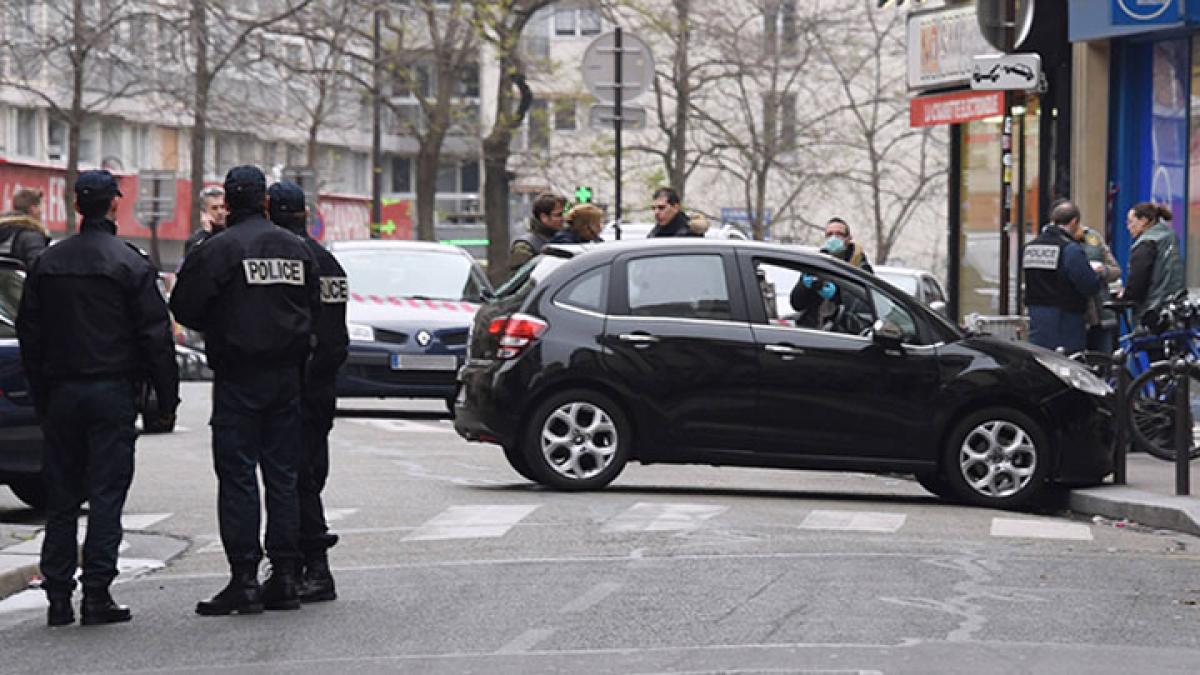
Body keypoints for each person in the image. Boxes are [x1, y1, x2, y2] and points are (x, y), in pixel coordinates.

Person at [16, 170, 179, 627]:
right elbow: (155, 338)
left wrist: (41, 392)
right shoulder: (129, 263)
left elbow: (30, 333)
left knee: (62, 499)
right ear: (114, 206)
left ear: (76, 207)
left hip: (63, 392)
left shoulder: (49, 263)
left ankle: (58, 596)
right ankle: (97, 594)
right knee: (106, 496)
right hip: (112, 392)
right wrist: (166, 399)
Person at [170, 165, 320, 617]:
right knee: (283, 477)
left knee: (238, 477)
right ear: (267, 202)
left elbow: (185, 306)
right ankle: (287, 577)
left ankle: (244, 579)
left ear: (230, 203)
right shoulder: (297, 249)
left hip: (238, 376)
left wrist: (225, 322)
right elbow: (313, 305)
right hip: (287, 377)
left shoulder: (219, 249)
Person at [267, 181, 348, 603]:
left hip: (291, 384)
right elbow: (337, 336)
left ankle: (312, 566)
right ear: (304, 212)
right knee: (309, 474)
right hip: (321, 386)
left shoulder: (284, 260)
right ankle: (305, 564)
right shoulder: (329, 262)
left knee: (293, 478)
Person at [1022, 200, 1103, 353]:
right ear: (1074, 222)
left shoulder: (1030, 247)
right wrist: (1097, 274)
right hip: (1066, 321)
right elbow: (1089, 285)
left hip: (1037, 319)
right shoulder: (1070, 249)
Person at [1122, 202, 1186, 325]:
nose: (1128, 226)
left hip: (1152, 312)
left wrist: (1126, 296)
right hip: (1175, 309)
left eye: (1130, 222)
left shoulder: (1146, 243)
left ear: (1143, 221)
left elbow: (1138, 281)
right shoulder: (1170, 236)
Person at [1076, 221, 1122, 353]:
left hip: (1100, 312)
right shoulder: (1059, 241)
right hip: (1075, 315)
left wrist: (1103, 270)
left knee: (1103, 358)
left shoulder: (1093, 238)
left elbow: (1116, 270)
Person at [509, 193, 564, 273]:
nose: (563, 218)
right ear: (544, 217)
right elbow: (521, 280)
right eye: (558, 215)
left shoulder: (564, 239)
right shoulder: (524, 246)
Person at [0, 187, 51, 267]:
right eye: (40, 207)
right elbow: (38, 269)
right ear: (33, 209)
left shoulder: (3, 228)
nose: (41, 212)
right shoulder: (33, 236)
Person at [183, 186, 229, 258]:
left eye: (222, 207)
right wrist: (206, 233)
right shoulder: (196, 240)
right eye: (214, 208)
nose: (220, 212)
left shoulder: (233, 233)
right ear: (204, 212)